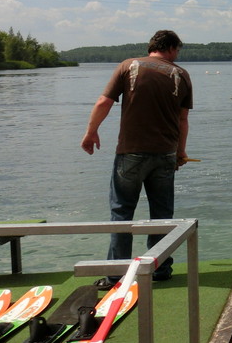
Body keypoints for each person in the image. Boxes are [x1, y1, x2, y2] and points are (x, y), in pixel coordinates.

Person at [81, 29, 193, 285]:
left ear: (152, 46)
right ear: (173, 48)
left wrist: (91, 132)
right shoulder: (181, 75)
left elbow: (103, 102)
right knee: (162, 215)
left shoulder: (128, 66)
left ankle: (115, 275)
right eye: (178, 51)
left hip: (130, 152)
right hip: (165, 153)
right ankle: (161, 270)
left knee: (122, 212)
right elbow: (183, 120)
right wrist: (181, 151)